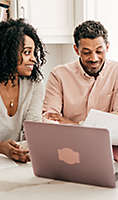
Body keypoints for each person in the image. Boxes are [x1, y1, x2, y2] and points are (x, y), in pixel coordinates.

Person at [43, 20, 118, 124]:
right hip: (69, 138)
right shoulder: (58, 75)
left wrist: (78, 125)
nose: (94, 58)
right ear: (76, 50)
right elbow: (50, 117)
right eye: (86, 52)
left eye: (99, 51)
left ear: (107, 47)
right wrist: (81, 128)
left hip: (106, 138)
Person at [0, 18, 46, 162]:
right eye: (27, 52)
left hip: (15, 162)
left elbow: (33, 128)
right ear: (7, 53)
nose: (33, 59)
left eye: (33, 53)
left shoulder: (34, 84)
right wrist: (1, 147)